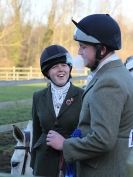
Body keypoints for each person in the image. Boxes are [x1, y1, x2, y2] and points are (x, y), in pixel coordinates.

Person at [46, 14, 133, 177]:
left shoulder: (109, 82)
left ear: (102, 49)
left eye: (83, 47)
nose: (79, 52)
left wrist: (65, 145)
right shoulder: (117, 73)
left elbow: (102, 139)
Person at [30, 44, 83, 177]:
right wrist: (34, 163)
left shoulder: (83, 95)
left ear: (69, 68)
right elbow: (36, 132)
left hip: (73, 162)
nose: (61, 70)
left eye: (64, 65)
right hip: (44, 163)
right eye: (55, 67)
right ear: (47, 72)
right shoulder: (38, 97)